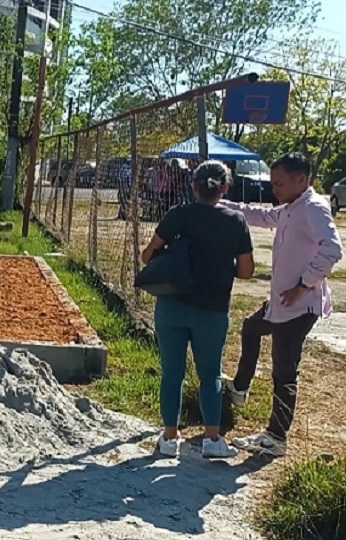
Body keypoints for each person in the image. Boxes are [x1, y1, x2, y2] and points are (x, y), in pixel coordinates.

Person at [222, 152, 343, 456]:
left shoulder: (313, 208)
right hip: (280, 303)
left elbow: (332, 249)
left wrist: (305, 284)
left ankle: (276, 437)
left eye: (279, 184)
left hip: (299, 306)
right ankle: (239, 389)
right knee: (251, 328)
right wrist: (225, 206)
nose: (274, 190)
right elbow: (263, 216)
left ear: (301, 180)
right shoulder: (291, 207)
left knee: (284, 370)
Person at [141, 160, 255, 459]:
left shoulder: (177, 215)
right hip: (212, 309)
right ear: (225, 188)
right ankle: (212, 438)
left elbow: (147, 255)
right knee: (210, 374)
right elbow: (245, 271)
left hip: (171, 305)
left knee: (172, 373)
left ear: (192, 185)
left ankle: (169, 437)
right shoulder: (235, 221)